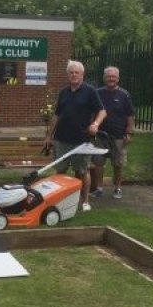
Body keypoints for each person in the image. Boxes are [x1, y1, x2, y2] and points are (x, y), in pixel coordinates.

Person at [44, 60, 106, 212]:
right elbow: (57, 115)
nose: (73, 75)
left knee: (82, 172)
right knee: (60, 171)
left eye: (76, 72)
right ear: (68, 75)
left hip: (81, 140)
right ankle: (60, 200)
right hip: (61, 139)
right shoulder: (64, 92)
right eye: (71, 72)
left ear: (82, 75)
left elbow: (102, 111)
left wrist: (96, 124)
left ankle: (84, 201)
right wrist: (48, 136)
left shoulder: (90, 91)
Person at [91, 66, 135, 200]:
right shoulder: (97, 93)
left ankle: (118, 188)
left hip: (118, 136)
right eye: (109, 76)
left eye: (113, 77)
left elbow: (130, 115)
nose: (111, 79)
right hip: (100, 135)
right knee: (98, 163)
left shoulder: (124, 94)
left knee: (118, 164)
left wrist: (129, 133)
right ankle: (99, 188)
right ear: (104, 78)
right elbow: (92, 111)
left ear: (118, 78)